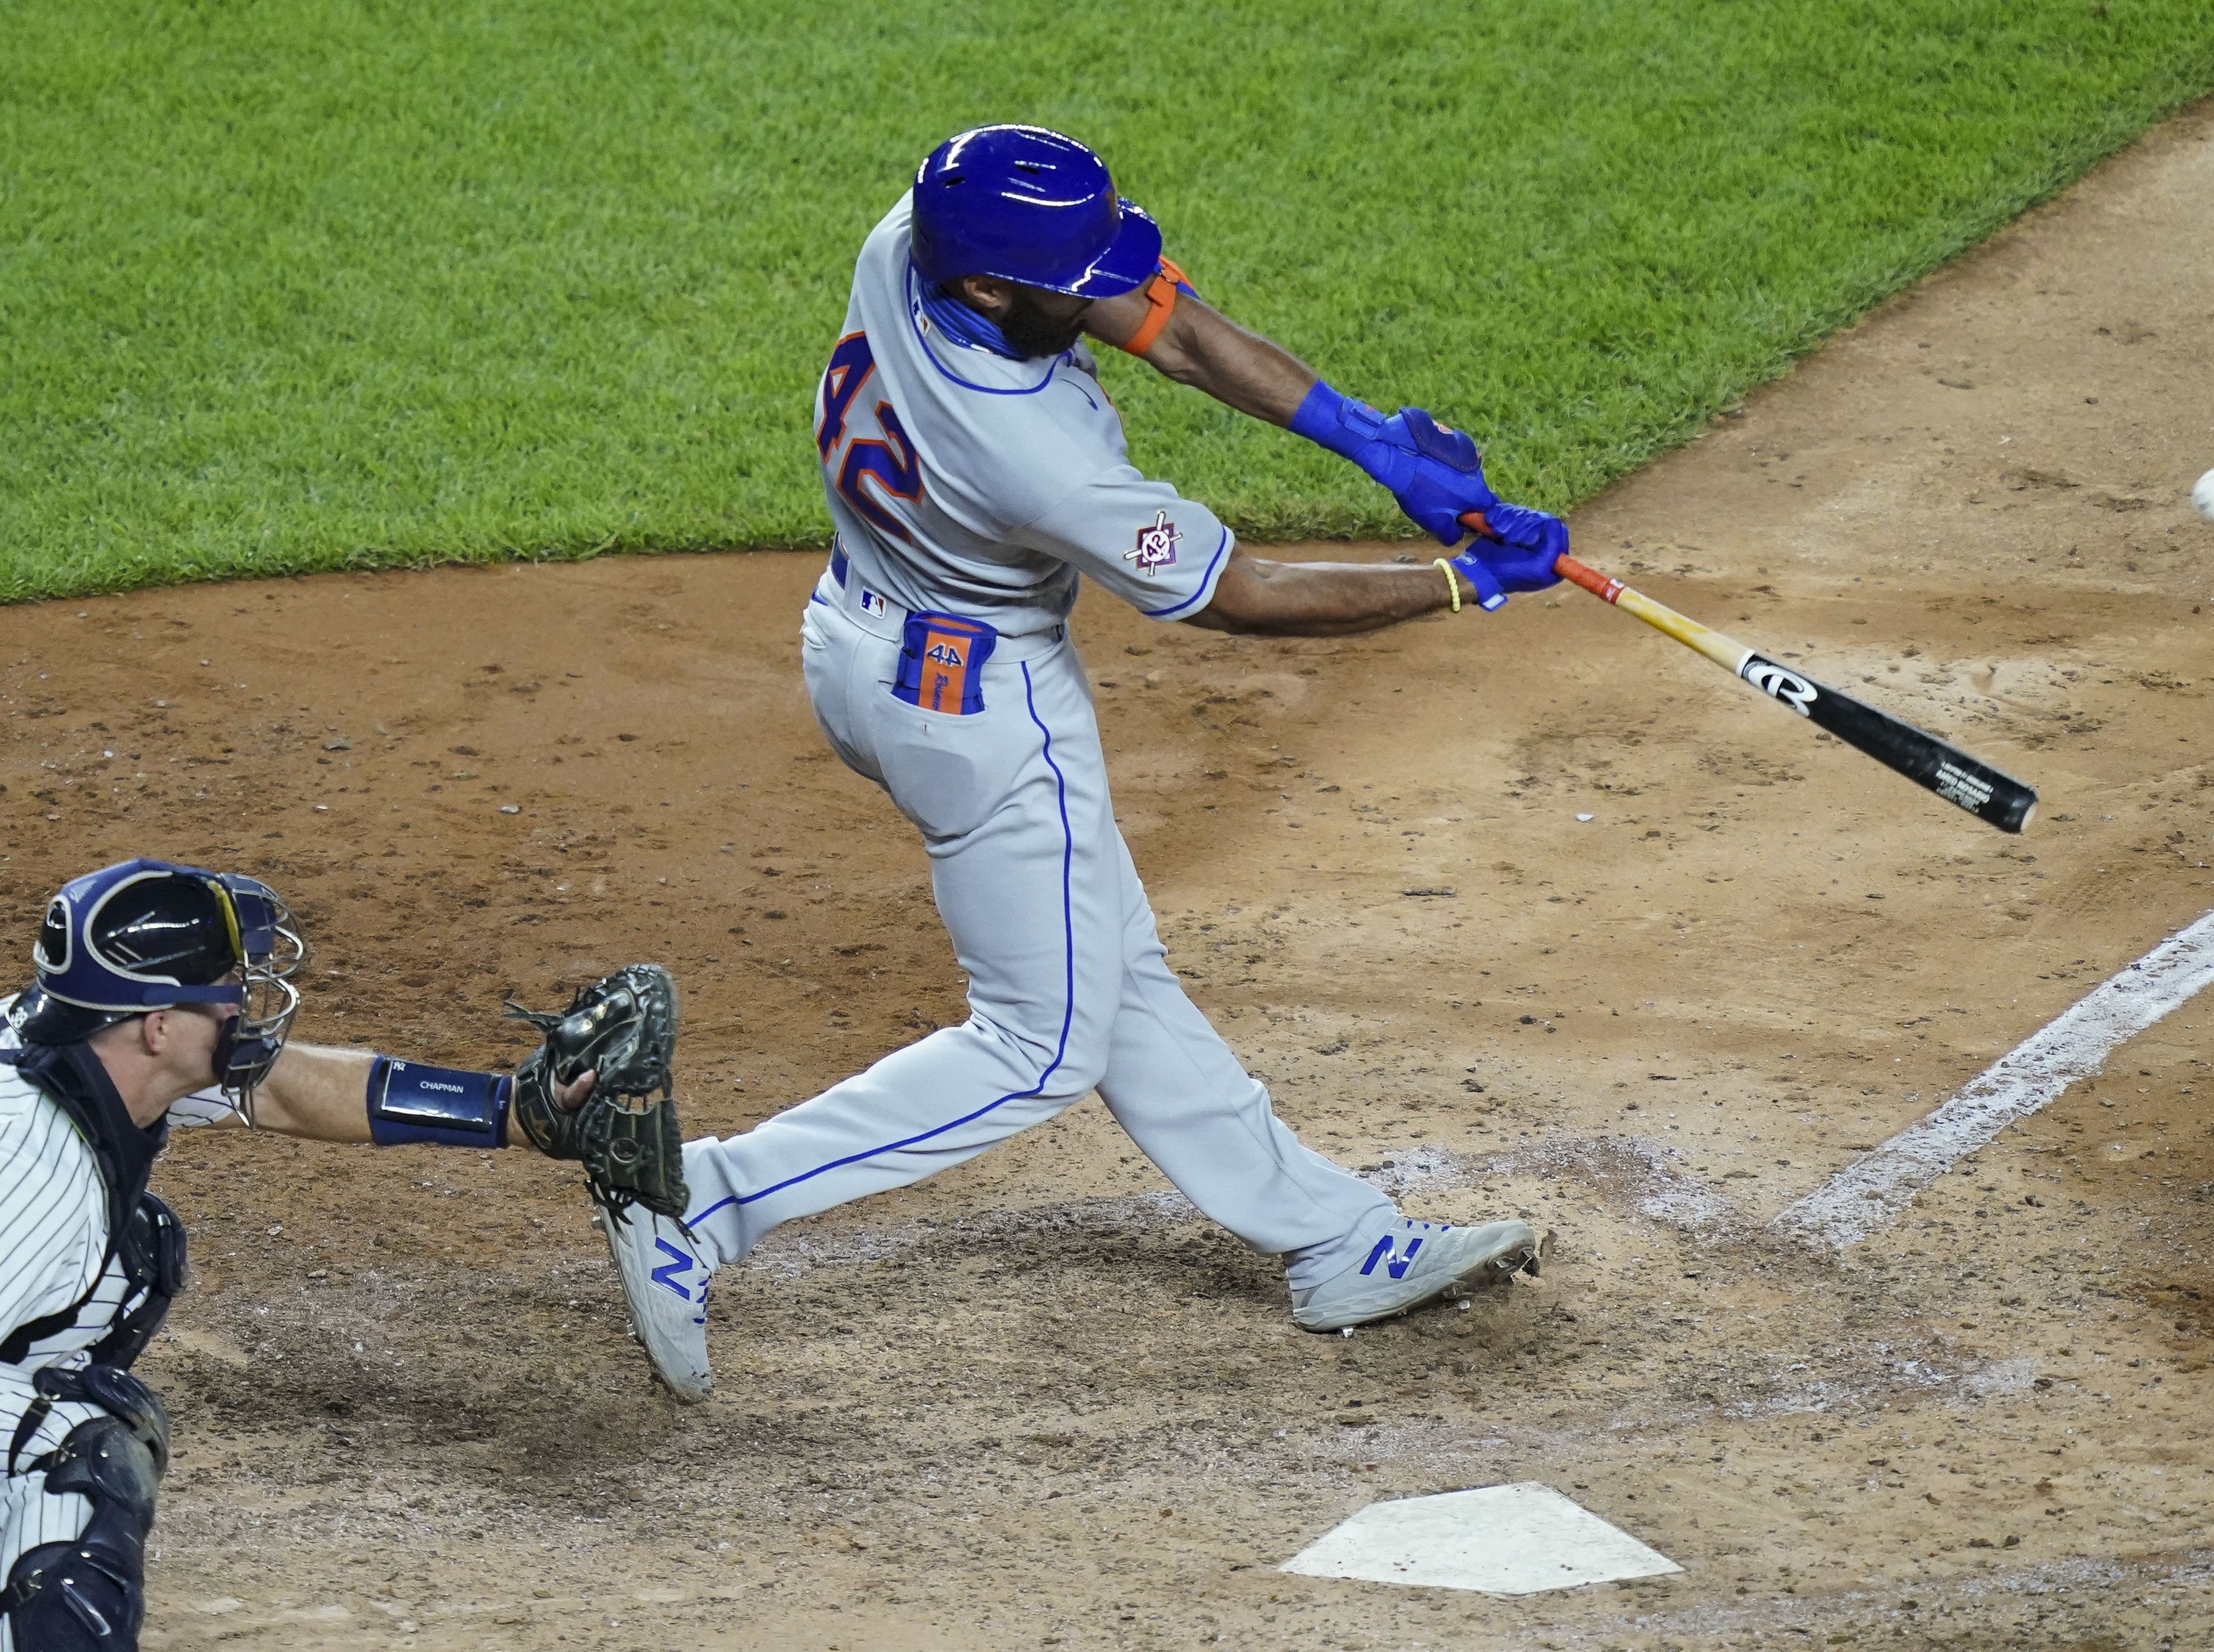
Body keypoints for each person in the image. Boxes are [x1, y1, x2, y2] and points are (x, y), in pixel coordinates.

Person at [596, 124, 1574, 1403]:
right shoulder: (1031, 452)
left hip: (858, 637)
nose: (1111, 289)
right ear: (998, 290)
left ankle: (1335, 1239)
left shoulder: (911, 246)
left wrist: (1370, 439)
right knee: (1042, 1041)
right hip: (983, 712)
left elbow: (1163, 321)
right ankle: (700, 1197)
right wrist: (1459, 581)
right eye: (1076, 276)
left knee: (1112, 970)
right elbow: (1238, 592)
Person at [0, 859, 600, 1650]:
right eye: (224, 995)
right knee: (77, 1446)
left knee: (130, 1262)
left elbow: (283, 1087)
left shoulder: (74, 1042)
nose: (245, 1014)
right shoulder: (36, 1177)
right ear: (158, 1027)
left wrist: (520, 1112)